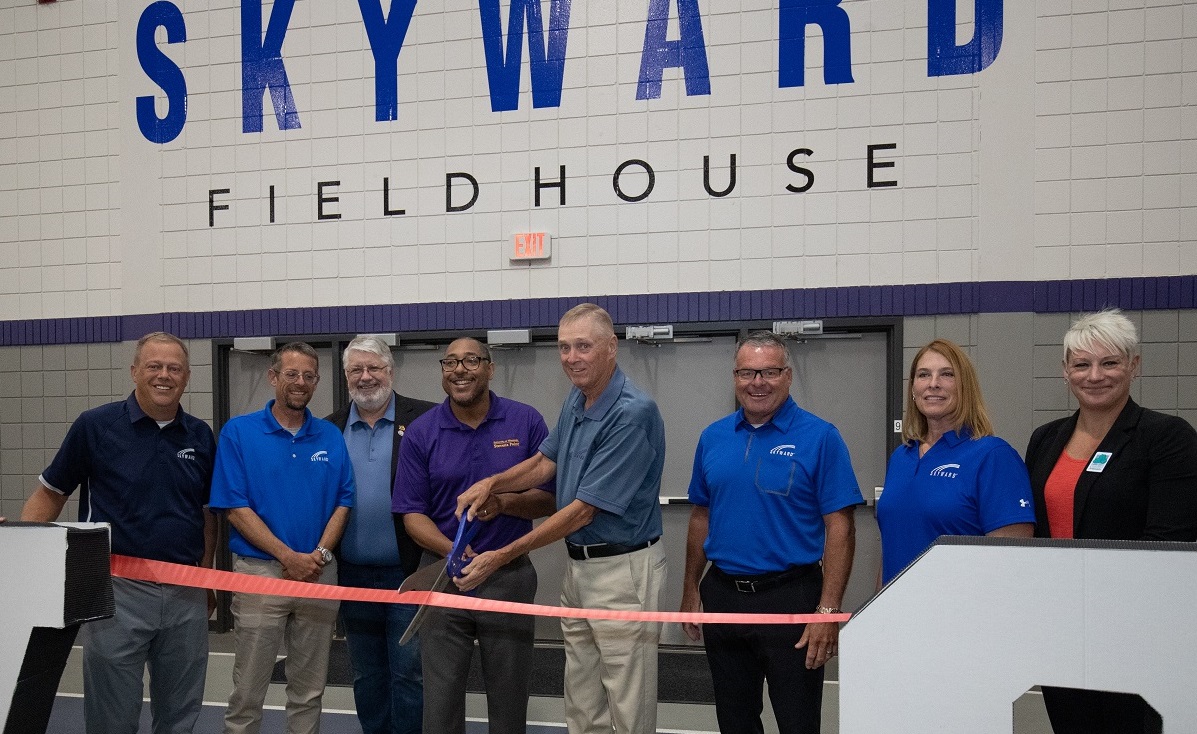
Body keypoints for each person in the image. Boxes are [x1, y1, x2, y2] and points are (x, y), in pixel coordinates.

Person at [454, 303, 668, 734]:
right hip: (579, 567)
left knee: (628, 703)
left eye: (583, 346)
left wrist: (502, 553)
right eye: (564, 347)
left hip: (622, 571)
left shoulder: (631, 413)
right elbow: (543, 463)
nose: (572, 358)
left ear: (611, 348)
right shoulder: (579, 396)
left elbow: (581, 512)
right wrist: (493, 483)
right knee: (583, 699)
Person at [20, 332, 216, 734]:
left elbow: (206, 514)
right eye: (154, 366)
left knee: (180, 716)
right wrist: (23, 560)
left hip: (186, 594)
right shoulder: (95, 426)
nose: (164, 375)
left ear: (187, 376)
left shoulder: (200, 436)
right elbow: (49, 494)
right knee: (113, 719)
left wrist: (206, 577)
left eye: (174, 368)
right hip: (115, 592)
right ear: (134, 372)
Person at [679, 330, 863, 734]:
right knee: (734, 719)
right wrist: (691, 589)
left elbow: (841, 528)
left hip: (792, 598)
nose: (757, 382)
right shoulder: (713, 437)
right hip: (724, 594)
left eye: (769, 372)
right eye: (747, 372)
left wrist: (828, 611)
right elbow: (700, 516)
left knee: (797, 721)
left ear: (788, 376)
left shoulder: (821, 437)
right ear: (734, 376)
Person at [1026, 309, 1197, 734]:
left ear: (1134, 366)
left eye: (1110, 362)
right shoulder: (1046, 439)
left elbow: (1169, 543)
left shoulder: (1167, 437)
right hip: (1061, 627)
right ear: (1065, 371)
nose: (1095, 375)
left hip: (1134, 630)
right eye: (1082, 364)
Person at [393, 337, 556, 734]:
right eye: (450, 362)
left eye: (470, 360)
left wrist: (503, 503)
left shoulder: (526, 421)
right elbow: (412, 516)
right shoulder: (420, 432)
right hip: (443, 576)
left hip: (508, 576)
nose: (459, 370)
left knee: (509, 697)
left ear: (490, 367)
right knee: (441, 700)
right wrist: (455, 551)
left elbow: (548, 501)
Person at [209, 342, 355, 734]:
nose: (301, 382)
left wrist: (320, 554)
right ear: (273, 377)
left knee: (309, 691)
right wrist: (288, 556)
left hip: (319, 574)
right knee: (248, 692)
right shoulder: (238, 433)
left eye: (309, 376)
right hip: (260, 573)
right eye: (292, 374)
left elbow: (344, 501)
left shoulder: (329, 435)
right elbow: (235, 507)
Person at [326, 335, 436, 734]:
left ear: (390, 371)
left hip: (408, 574)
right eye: (356, 369)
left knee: (409, 673)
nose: (366, 376)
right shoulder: (328, 429)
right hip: (352, 575)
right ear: (346, 376)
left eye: (374, 367)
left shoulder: (426, 420)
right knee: (366, 674)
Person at [875, 338, 1034, 585]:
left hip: (962, 616)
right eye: (923, 375)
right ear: (913, 389)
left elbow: (1011, 562)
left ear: (965, 387)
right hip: (899, 615)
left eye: (947, 374)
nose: (933, 384)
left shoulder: (993, 456)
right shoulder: (901, 457)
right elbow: (891, 550)